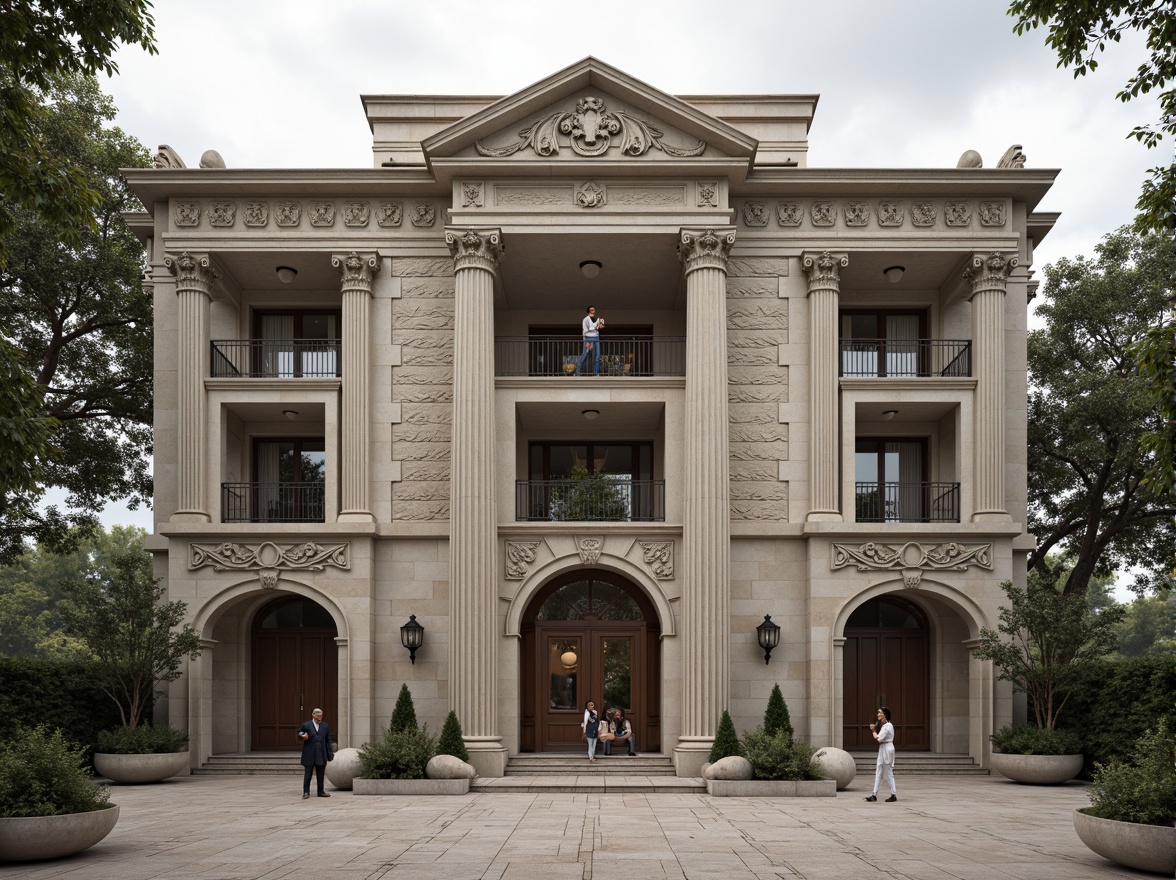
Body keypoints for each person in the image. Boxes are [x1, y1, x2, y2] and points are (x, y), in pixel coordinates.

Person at [298, 707, 334, 799]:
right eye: (318, 715)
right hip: (309, 753)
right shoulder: (306, 725)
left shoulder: (325, 726)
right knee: (308, 773)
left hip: (321, 753)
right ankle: (306, 792)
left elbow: (328, 740)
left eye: (321, 715)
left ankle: (321, 791)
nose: (320, 717)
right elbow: (300, 733)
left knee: (321, 774)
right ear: (313, 715)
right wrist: (303, 736)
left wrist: (330, 752)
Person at [864, 706, 897, 802]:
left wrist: (873, 730)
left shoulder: (888, 726)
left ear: (884, 715)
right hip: (883, 748)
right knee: (879, 771)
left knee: (888, 772)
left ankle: (893, 794)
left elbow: (878, 739)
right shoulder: (885, 726)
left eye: (880, 712)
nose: (878, 714)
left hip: (887, 748)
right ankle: (874, 794)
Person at [575, 306, 604, 375]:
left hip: (596, 338)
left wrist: (600, 324)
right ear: (588, 311)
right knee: (585, 354)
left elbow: (600, 327)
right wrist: (597, 324)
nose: (593, 311)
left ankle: (596, 373)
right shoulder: (586, 319)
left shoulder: (597, 319)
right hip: (588, 338)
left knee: (597, 355)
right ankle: (578, 371)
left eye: (594, 310)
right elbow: (589, 328)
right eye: (591, 310)